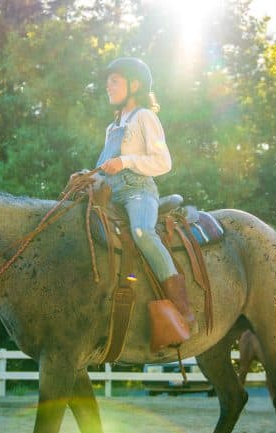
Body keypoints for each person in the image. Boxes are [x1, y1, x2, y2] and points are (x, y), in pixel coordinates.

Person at [80, 57, 194, 346]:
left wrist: (126, 161)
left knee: (142, 233)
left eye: (114, 81)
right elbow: (105, 164)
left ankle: (182, 308)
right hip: (111, 195)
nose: (108, 86)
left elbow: (163, 162)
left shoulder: (145, 117)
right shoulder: (112, 126)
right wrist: (86, 177)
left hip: (138, 191)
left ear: (135, 85)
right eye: (108, 82)